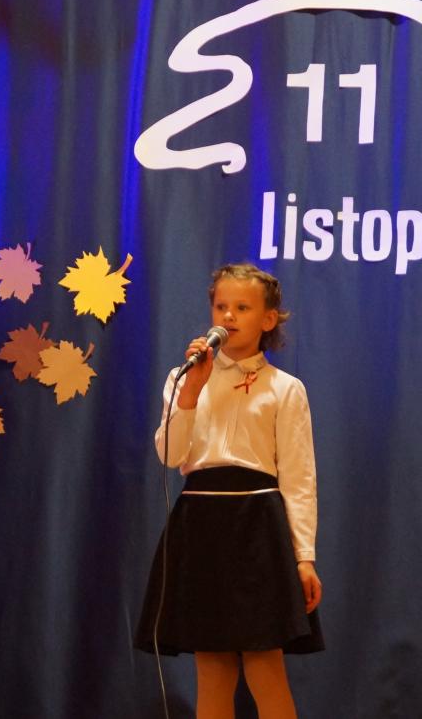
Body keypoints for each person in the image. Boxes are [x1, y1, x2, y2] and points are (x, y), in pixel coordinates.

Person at [136, 263, 323, 719]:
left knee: (264, 664)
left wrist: (303, 556)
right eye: (221, 306)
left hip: (258, 527)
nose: (229, 316)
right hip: (200, 525)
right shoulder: (183, 378)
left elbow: (299, 477)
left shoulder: (285, 388)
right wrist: (190, 392)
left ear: (268, 319)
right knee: (213, 668)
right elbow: (170, 454)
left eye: (243, 307)